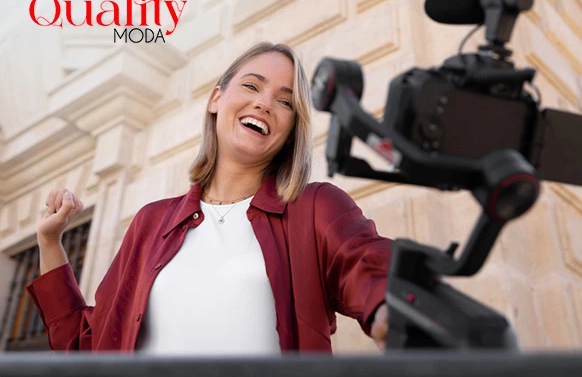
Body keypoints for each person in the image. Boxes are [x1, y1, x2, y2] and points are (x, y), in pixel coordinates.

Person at [28, 42, 392, 355]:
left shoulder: (314, 208)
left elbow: (366, 265)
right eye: (252, 86)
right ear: (216, 98)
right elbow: (90, 345)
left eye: (285, 102)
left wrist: (388, 309)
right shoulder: (151, 223)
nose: (264, 104)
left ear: (291, 129)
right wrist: (48, 242)